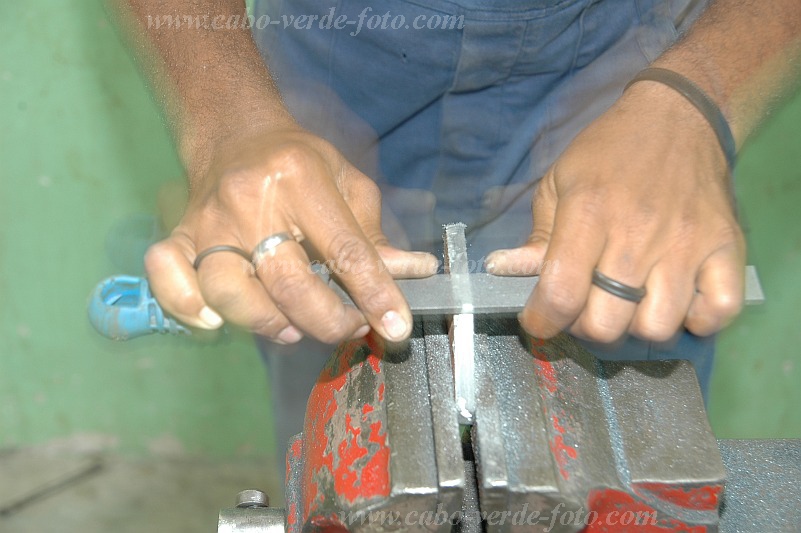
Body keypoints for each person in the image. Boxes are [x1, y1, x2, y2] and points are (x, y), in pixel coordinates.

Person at [109, 0, 801, 451]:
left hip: (616, 71)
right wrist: (229, 119)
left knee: (624, 453)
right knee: (348, 442)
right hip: (330, 68)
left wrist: (693, 97)